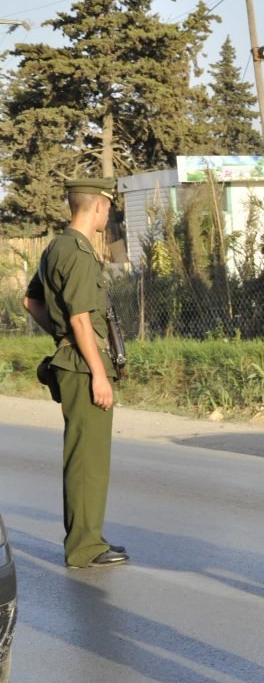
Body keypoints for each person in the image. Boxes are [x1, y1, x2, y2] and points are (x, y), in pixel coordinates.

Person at [23, 178, 129, 570]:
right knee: (88, 459)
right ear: (98, 206)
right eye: (108, 207)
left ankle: (88, 538)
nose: (108, 214)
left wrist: (62, 338)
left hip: (73, 361)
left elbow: (30, 300)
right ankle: (85, 547)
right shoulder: (80, 253)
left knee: (84, 456)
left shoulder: (56, 247)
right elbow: (82, 319)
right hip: (85, 368)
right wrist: (99, 374)